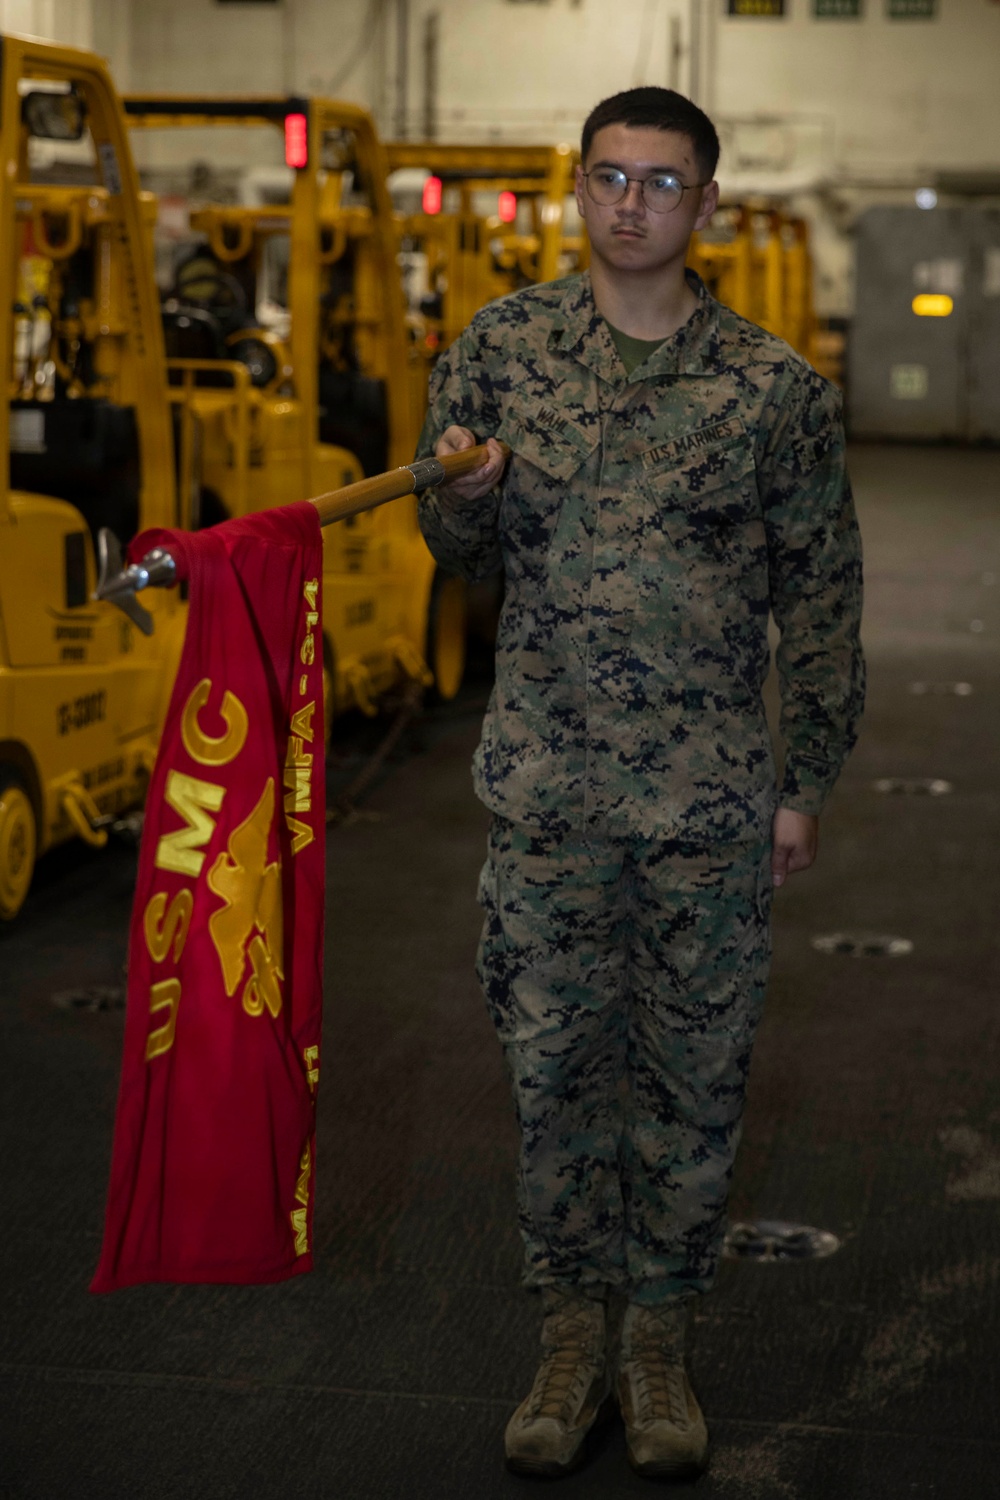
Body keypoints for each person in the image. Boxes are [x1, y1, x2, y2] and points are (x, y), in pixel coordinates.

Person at [415, 86, 864, 1481]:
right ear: (578, 189)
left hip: (707, 811)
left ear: (705, 205)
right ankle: (567, 1345)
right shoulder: (501, 354)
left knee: (693, 1083)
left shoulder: (774, 391)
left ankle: (657, 1348)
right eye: (608, 178)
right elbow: (461, 558)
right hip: (549, 798)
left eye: (661, 183)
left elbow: (825, 599)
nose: (630, 205)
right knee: (553, 1078)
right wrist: (463, 502)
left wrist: (802, 783)